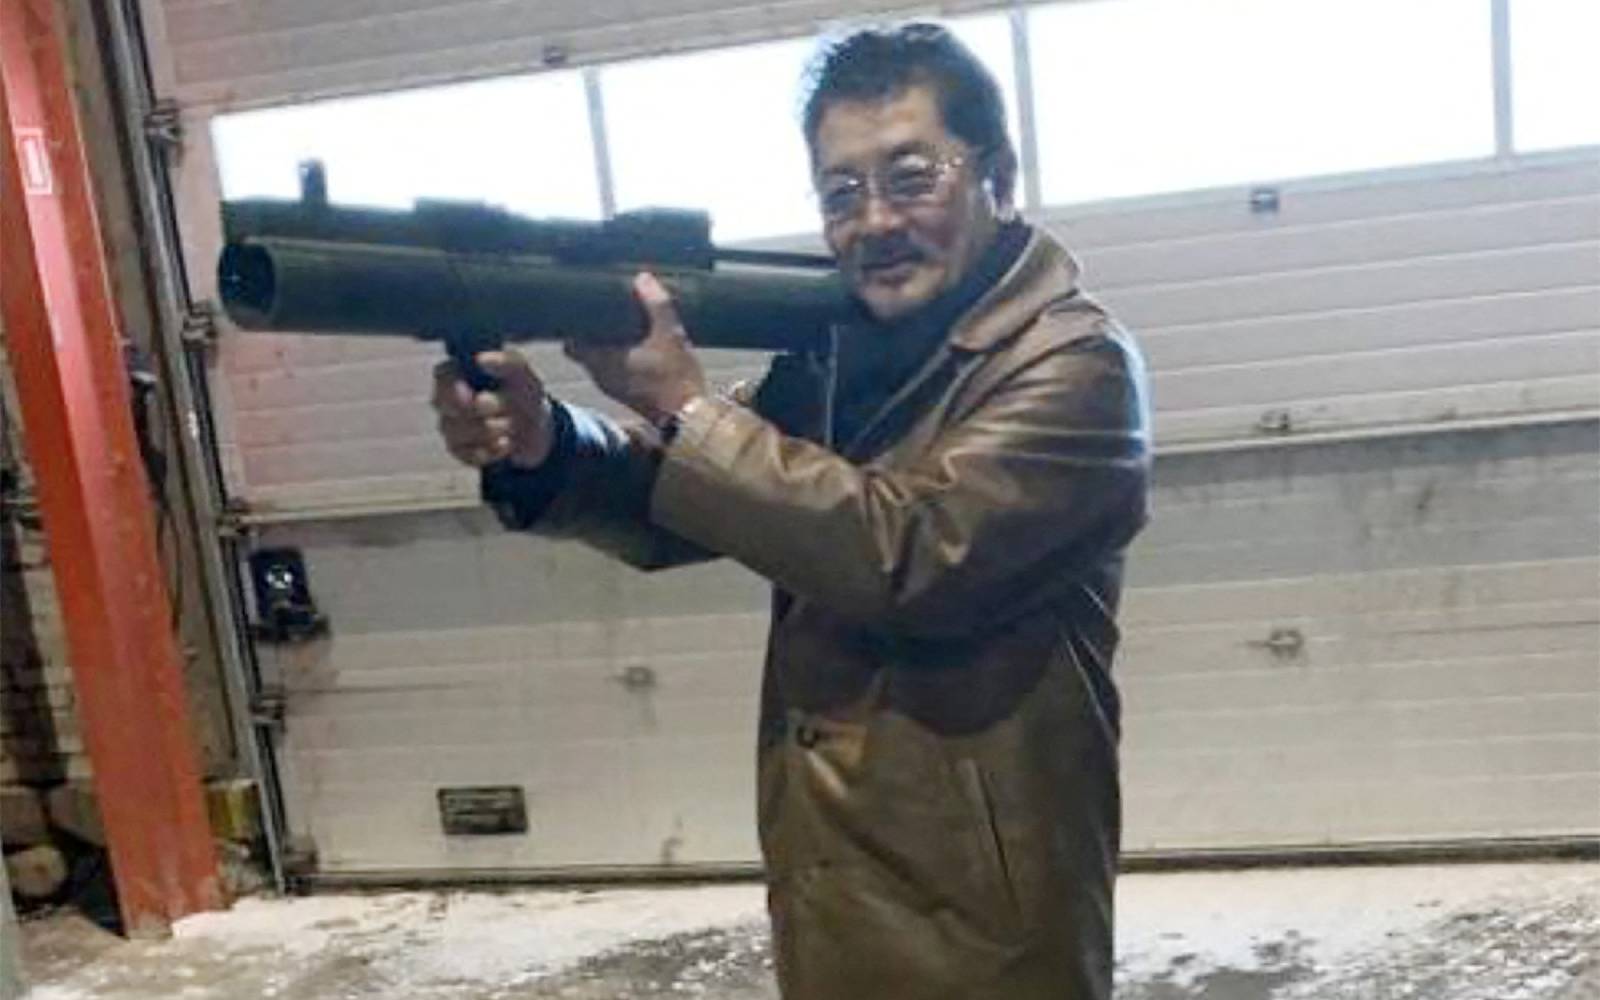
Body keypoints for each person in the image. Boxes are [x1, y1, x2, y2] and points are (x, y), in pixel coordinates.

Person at [432, 23, 1150, 999]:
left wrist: (685, 406)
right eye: (841, 192)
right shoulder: (846, 358)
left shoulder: (1072, 366)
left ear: (998, 177)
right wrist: (545, 442)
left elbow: (908, 555)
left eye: (911, 177)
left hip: (986, 917)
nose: (874, 221)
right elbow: (690, 498)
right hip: (836, 880)